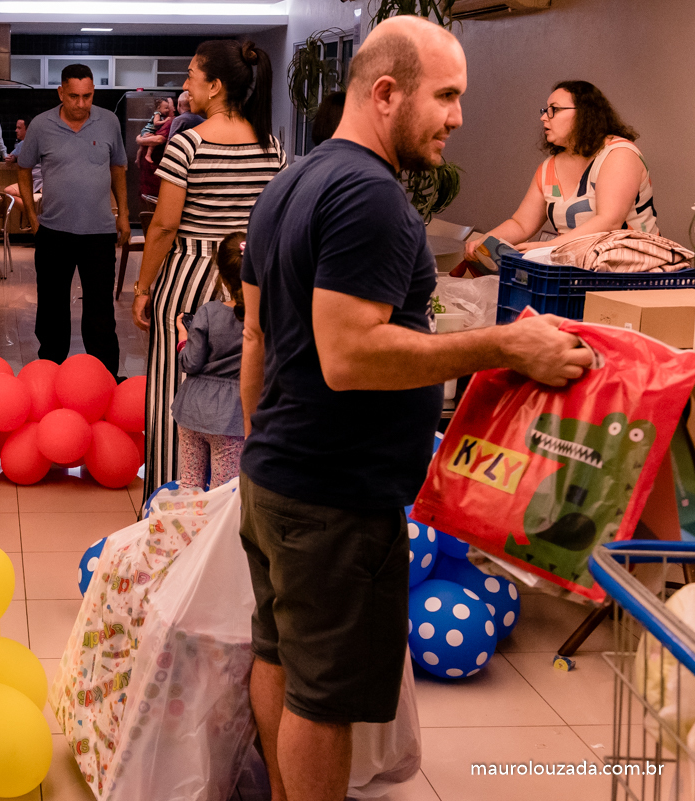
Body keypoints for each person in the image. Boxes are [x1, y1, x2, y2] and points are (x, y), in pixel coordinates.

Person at [237, 18, 592, 801]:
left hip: (275, 478)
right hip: (335, 497)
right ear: (387, 91)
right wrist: (506, 347)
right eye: (448, 96)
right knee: (322, 700)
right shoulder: (371, 196)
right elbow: (350, 352)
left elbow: (257, 339)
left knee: (277, 656)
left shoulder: (288, 183)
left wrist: (266, 446)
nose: (459, 117)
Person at [131, 39, 286, 502]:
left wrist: (142, 288)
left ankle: (167, 505)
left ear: (215, 86)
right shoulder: (271, 146)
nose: (185, 85)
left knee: (173, 395)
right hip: (249, 284)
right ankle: (234, 509)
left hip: (191, 277)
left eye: (192, 76)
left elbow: (163, 226)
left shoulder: (187, 143)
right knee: (248, 391)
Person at [17, 63, 130, 378]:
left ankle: (105, 378)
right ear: (60, 93)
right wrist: (31, 216)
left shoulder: (108, 122)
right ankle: (50, 375)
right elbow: (23, 169)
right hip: (53, 233)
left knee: (100, 313)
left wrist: (124, 215)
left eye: (88, 96)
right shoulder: (41, 125)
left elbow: (119, 168)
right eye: (74, 97)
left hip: (100, 234)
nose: (81, 104)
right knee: (52, 311)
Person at [465, 79, 656, 261]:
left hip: (632, 271)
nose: (543, 117)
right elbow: (521, 224)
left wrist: (549, 247)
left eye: (553, 110)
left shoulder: (619, 153)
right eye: (545, 110)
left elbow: (609, 221)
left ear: (584, 113)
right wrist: (486, 240)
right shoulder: (548, 167)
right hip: (576, 271)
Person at [171, 230, 246, 490]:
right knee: (222, 493)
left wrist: (184, 337)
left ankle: (184, 531)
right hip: (232, 418)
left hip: (191, 411)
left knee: (189, 486)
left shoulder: (208, 312)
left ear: (222, 276)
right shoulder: (265, 318)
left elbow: (190, 363)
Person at [136, 97, 175, 196]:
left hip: (156, 167)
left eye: (168, 107)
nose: (168, 109)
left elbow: (159, 139)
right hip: (149, 169)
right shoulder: (163, 118)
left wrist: (140, 140)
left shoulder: (169, 122)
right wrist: (139, 139)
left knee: (153, 195)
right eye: (165, 107)